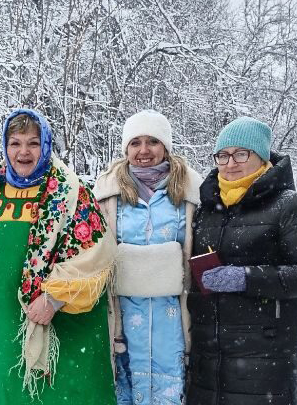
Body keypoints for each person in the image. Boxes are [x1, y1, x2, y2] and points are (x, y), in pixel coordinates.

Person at [0, 109, 117, 404]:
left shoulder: (71, 192)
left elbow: (96, 255)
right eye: (15, 143)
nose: (23, 152)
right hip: (1, 320)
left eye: (33, 143)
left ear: (46, 145)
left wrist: (54, 298)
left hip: (56, 321)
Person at [186, 116, 297, 404]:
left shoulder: (289, 205)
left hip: (265, 354)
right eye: (223, 155)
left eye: (242, 153)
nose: (230, 163)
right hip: (207, 355)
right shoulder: (206, 208)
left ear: (261, 156)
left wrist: (246, 278)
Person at [94, 110, 202, 405]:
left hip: (174, 317)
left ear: (166, 146)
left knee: (171, 387)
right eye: (135, 143)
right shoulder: (107, 193)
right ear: (126, 149)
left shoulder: (192, 191)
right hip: (125, 317)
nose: (144, 151)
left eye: (152, 141)